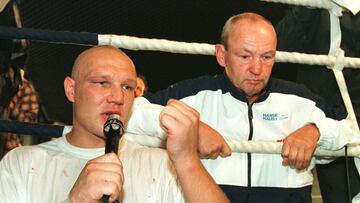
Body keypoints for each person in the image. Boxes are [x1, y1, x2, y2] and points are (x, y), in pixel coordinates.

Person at [131, 12, 360, 202]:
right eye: (245, 56)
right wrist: (190, 127)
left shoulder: (301, 99)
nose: (257, 69)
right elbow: (130, 113)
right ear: (222, 55)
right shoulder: (192, 95)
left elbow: (351, 131)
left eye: (267, 57)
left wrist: (316, 131)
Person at [0, 46, 230, 203]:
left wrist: (187, 160)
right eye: (102, 83)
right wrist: (74, 200)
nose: (117, 97)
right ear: (71, 89)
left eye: (127, 87)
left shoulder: (162, 163)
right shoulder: (21, 163)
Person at [275, 7, 360, 202]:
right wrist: (311, 4)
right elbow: (279, 45)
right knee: (341, 195)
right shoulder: (315, 7)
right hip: (326, 117)